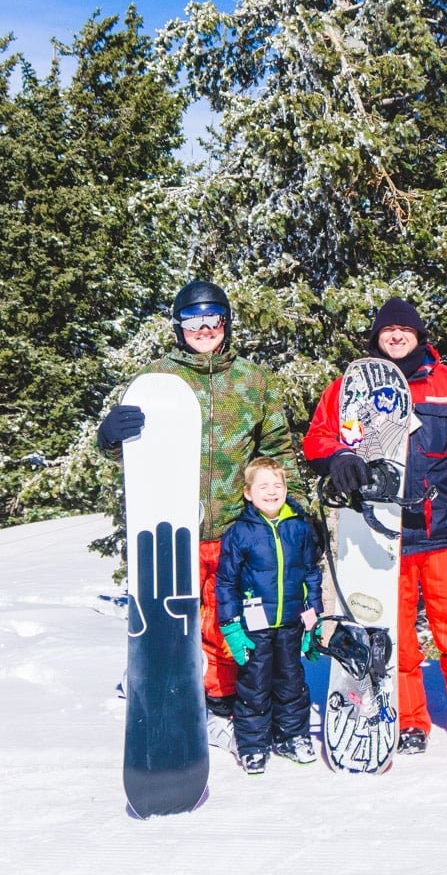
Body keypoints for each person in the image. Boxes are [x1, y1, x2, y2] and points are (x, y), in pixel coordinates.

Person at [97, 279, 300, 751]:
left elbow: (277, 450)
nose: (204, 329)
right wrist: (108, 437)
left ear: (226, 324)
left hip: (236, 527)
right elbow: (128, 450)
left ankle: (223, 702)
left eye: (214, 320)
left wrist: (292, 510)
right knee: (178, 619)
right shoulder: (157, 379)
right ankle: (173, 694)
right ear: (178, 326)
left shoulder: (252, 379)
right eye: (194, 320)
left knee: (228, 620)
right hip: (174, 526)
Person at [303, 296, 447, 755]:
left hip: (441, 534)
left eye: (405, 330)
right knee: (392, 635)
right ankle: (406, 718)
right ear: (376, 338)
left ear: (419, 335)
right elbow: (317, 436)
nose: (396, 336)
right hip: (380, 538)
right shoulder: (349, 387)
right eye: (387, 331)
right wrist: (338, 456)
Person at [214, 456, 323, 774]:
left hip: (290, 623)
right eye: (263, 486)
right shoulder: (240, 533)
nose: (272, 492)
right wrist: (231, 626)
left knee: (292, 683)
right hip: (253, 628)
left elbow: (310, 574)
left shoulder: (299, 528)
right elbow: (225, 582)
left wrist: (312, 620)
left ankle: (292, 737)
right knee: (254, 686)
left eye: (278, 485)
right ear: (248, 493)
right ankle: (253, 745)